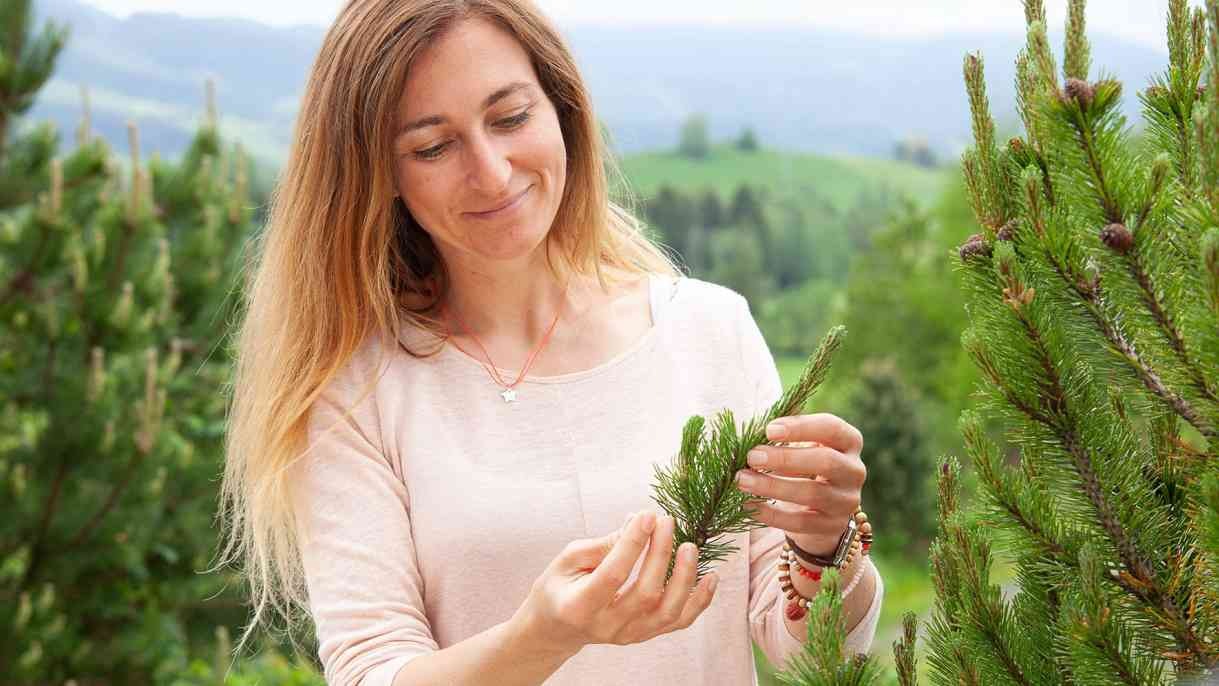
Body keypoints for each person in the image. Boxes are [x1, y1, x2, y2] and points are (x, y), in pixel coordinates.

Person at [216, 1, 882, 684]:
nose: (493, 172)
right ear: (378, 174)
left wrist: (824, 544)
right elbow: (370, 672)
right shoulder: (355, 389)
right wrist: (542, 638)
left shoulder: (709, 330)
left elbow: (807, 653)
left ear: (562, 108)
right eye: (432, 147)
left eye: (509, 118)